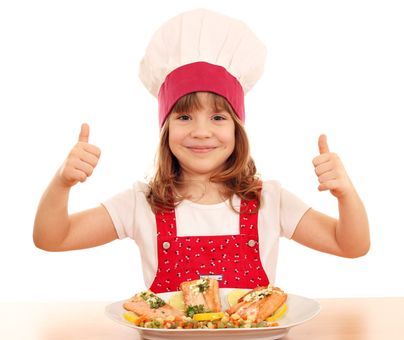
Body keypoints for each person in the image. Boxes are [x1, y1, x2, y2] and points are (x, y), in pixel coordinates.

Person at [33, 9, 370, 293]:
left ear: (237, 129)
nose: (201, 131)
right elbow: (53, 238)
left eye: (218, 116)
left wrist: (345, 192)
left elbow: (351, 245)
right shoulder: (141, 204)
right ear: (165, 129)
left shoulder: (270, 200)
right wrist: (63, 182)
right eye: (184, 116)